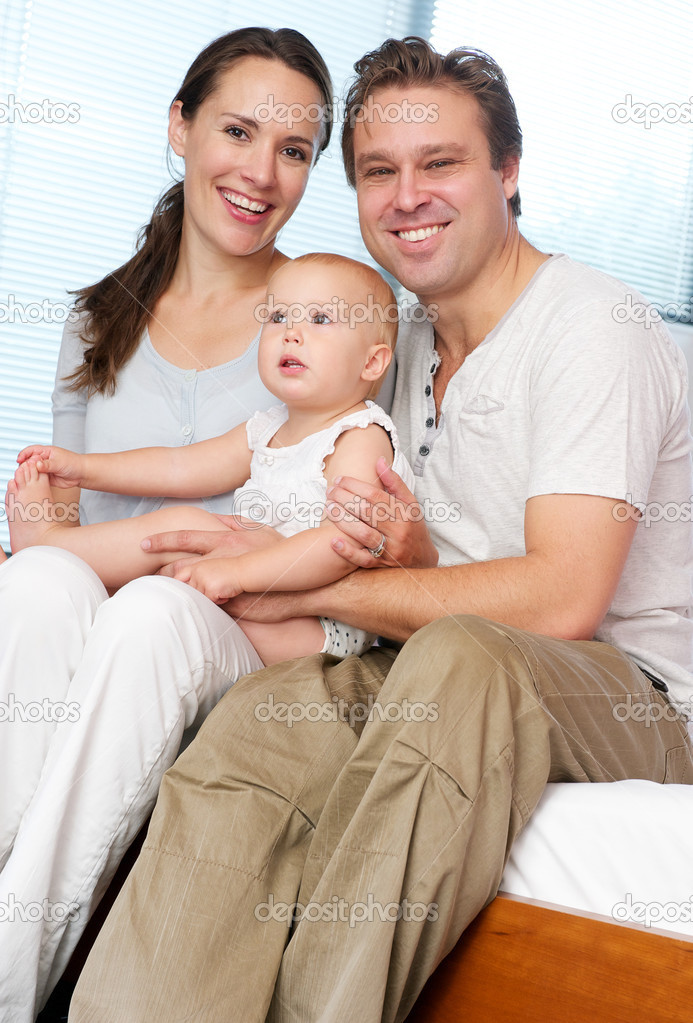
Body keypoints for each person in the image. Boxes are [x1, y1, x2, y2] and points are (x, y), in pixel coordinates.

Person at [69, 36, 693, 1023]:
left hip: (627, 698)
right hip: (427, 657)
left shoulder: (588, 327)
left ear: (509, 173)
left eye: (440, 163)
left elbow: (562, 600)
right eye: (377, 172)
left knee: (462, 665)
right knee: (254, 733)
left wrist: (298, 583)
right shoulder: (383, 344)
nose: (407, 196)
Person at [0, 26, 334, 1022]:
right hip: (100, 622)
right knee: (38, 586)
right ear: (181, 128)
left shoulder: (328, 315)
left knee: (141, 608)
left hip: (235, 639)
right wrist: (165, 529)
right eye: (238, 131)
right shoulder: (96, 318)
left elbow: (329, 533)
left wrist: (111, 548)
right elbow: (42, 537)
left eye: (296, 151)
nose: (263, 173)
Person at [8, 253, 414, 665]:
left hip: (318, 629)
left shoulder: (361, 436)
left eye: (320, 320)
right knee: (183, 527)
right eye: (277, 317)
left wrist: (238, 572)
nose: (291, 334)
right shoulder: (268, 426)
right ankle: (54, 547)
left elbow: (338, 543)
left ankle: (55, 552)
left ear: (372, 361)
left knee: (162, 600)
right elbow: (179, 467)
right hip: (258, 589)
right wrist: (83, 469)